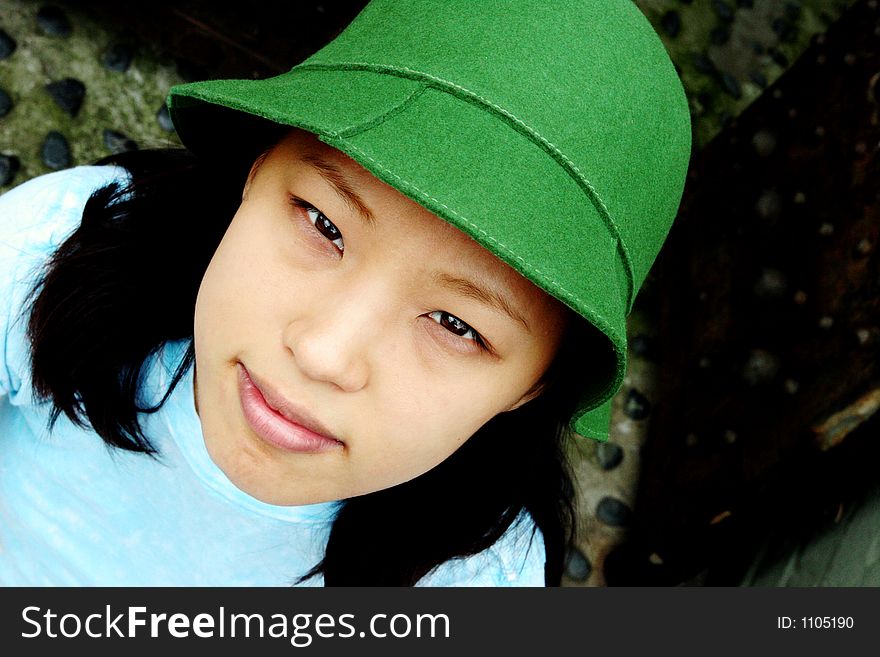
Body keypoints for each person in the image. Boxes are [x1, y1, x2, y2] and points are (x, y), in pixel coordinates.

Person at [0, 0, 690, 586]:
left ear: (535, 384)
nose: (325, 352)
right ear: (260, 161)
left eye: (454, 323)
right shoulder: (59, 250)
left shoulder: (475, 572)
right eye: (324, 223)